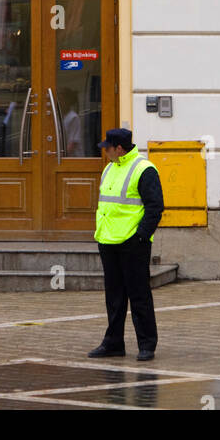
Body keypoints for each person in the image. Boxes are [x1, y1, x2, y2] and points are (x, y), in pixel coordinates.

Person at [88, 128, 164, 362]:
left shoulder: (144, 169)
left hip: (133, 243)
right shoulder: (109, 168)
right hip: (108, 241)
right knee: (114, 296)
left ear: (119, 148)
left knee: (139, 294)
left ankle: (146, 344)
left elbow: (155, 207)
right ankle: (113, 343)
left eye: (107, 148)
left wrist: (141, 236)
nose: (105, 152)